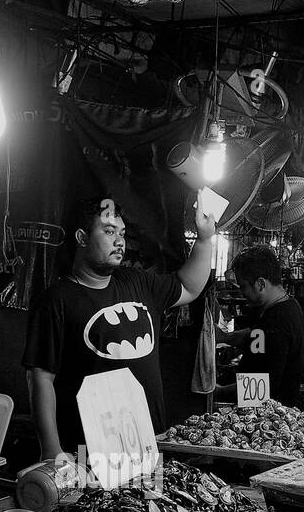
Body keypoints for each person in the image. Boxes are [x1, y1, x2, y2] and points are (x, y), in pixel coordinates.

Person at [24, 197, 216, 461]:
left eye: (122, 233)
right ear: (82, 238)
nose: (119, 241)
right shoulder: (56, 300)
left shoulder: (137, 282)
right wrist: (52, 451)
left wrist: (205, 239)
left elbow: (190, 287)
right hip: (88, 448)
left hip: (148, 441)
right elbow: (41, 378)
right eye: (109, 231)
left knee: (150, 501)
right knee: (92, 503)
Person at [225, 244, 304, 407]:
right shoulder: (289, 305)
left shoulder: (276, 322)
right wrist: (226, 337)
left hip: (271, 415)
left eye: (243, 286)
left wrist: (217, 390)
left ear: (261, 283)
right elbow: (256, 334)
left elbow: (259, 385)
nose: (242, 292)